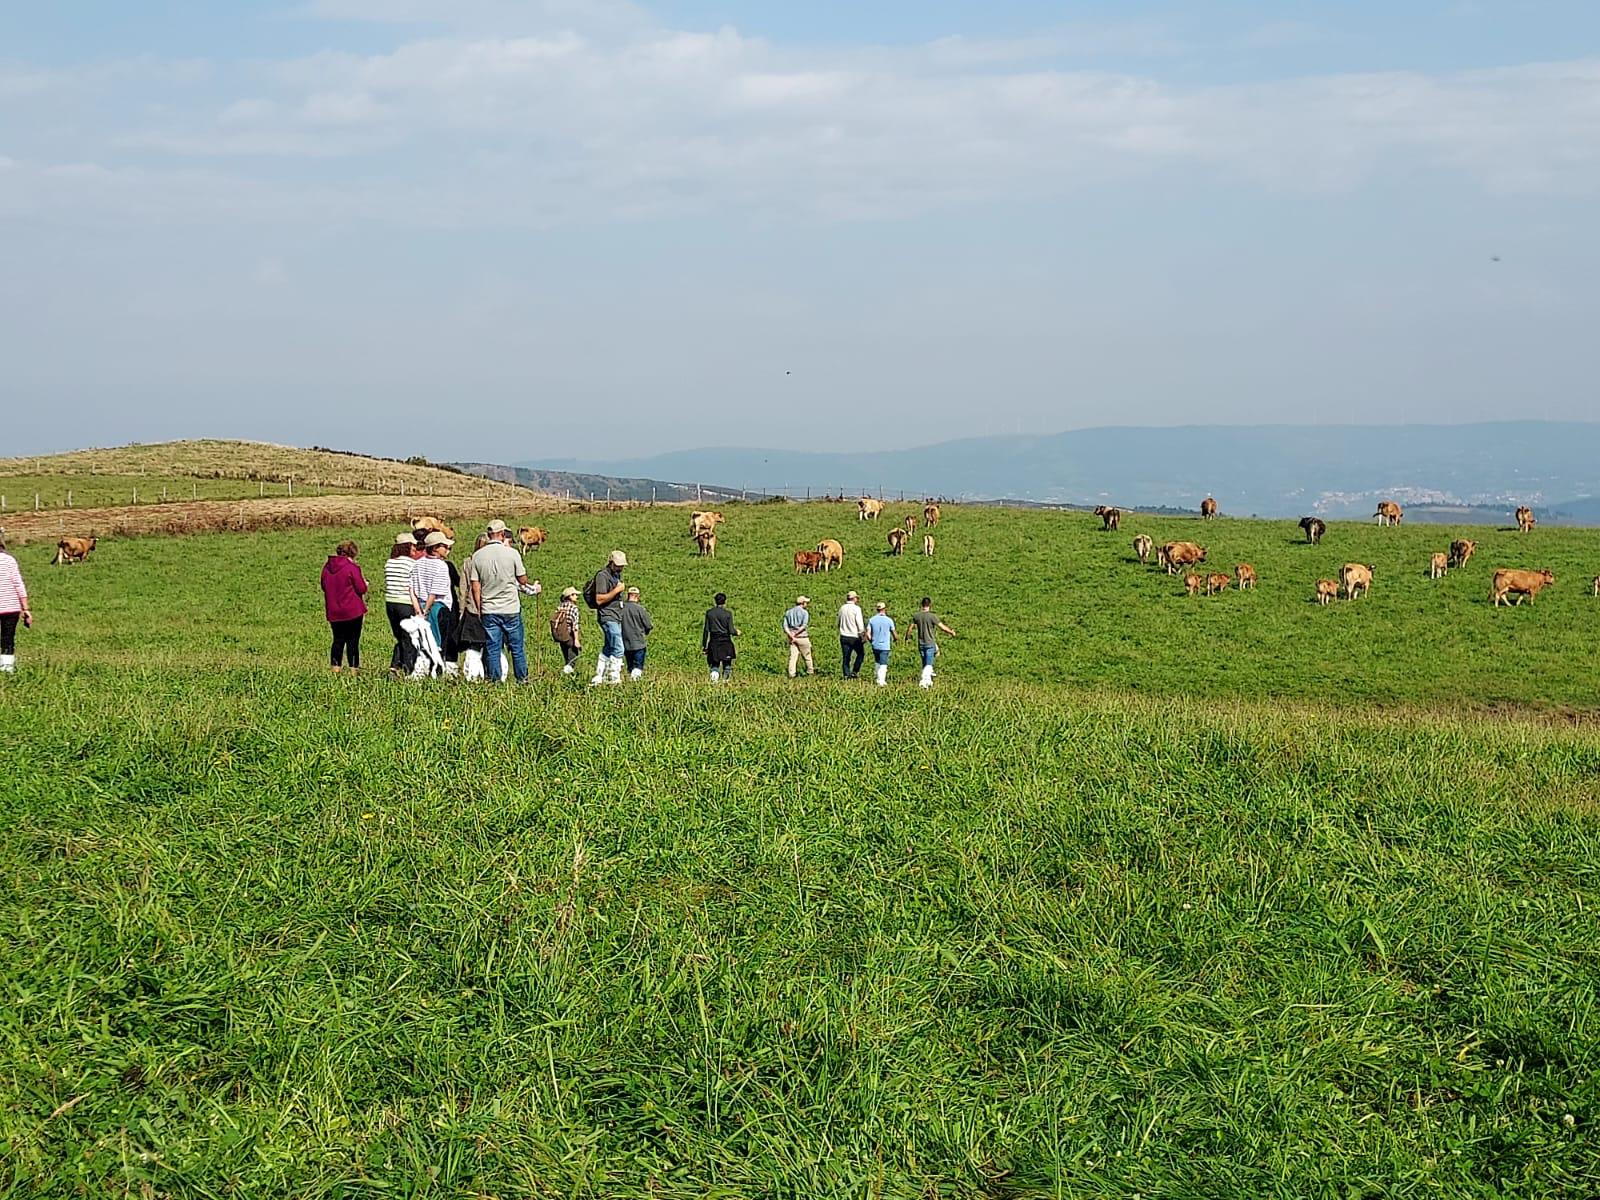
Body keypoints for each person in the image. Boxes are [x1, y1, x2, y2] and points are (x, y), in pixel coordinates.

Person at [471, 519, 536, 683]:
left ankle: (495, 680)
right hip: (510, 608)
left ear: (488, 534)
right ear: (501, 534)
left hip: (489, 608)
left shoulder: (477, 556)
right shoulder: (512, 553)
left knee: (492, 647)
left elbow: (475, 586)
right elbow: (522, 580)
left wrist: (480, 608)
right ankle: (522, 678)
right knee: (516, 647)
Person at [319, 540, 368, 673]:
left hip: (333, 610)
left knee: (337, 640)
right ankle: (353, 670)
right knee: (353, 641)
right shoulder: (352, 568)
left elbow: (323, 586)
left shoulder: (326, 568)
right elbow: (361, 588)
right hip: (352, 610)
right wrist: (366, 584)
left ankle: (335, 669)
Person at [383, 531, 425, 677]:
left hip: (390, 603)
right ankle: (408, 669)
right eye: (413, 545)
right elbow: (414, 586)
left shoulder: (389, 563)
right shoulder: (412, 564)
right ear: (407, 546)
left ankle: (395, 666)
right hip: (406, 603)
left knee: (400, 636)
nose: (415, 548)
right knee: (409, 637)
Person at [410, 531, 454, 654]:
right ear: (435, 548)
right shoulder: (441, 566)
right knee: (440, 643)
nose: (447, 549)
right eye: (444, 546)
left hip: (420, 605)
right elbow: (434, 592)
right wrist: (426, 611)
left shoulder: (417, 564)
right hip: (437, 608)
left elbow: (411, 589)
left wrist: (418, 609)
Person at [588, 550, 628, 685]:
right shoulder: (602, 576)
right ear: (611, 563)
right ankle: (613, 677)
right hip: (607, 615)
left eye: (622, 565)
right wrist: (617, 590)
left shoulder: (616, 575)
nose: (620, 568)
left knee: (609, 647)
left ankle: (599, 675)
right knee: (619, 647)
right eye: (618, 565)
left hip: (616, 615)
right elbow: (599, 599)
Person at [457, 534, 491, 679]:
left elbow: (463, 589)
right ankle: (491, 675)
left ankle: (471, 675)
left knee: (474, 645)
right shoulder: (491, 561)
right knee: (491, 645)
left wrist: (461, 609)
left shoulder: (468, 562)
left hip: (472, 609)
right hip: (491, 607)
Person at [0, 533, 32, 673]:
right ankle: (7, 669)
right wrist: (26, 609)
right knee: (8, 638)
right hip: (11, 607)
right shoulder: (10, 560)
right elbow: (18, 584)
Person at [911, 596, 957, 688]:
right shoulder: (932, 616)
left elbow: (910, 628)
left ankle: (927, 680)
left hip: (921, 643)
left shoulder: (916, 616)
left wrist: (907, 637)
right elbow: (942, 627)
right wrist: (951, 632)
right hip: (930, 643)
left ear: (922, 604)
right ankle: (924, 682)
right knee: (929, 663)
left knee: (925, 662)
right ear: (930, 605)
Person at [702, 591, 739, 682]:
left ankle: (714, 682)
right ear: (725, 601)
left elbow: (706, 630)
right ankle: (725, 681)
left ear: (715, 601)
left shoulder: (709, 613)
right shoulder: (728, 614)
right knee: (727, 664)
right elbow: (730, 630)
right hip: (725, 641)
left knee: (714, 664)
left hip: (714, 641)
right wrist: (737, 632)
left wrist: (704, 646)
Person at [620, 585, 654, 679]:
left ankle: (629, 681)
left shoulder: (621, 608)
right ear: (637, 596)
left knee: (630, 666)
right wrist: (646, 631)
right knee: (638, 667)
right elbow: (648, 625)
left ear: (628, 595)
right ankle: (635, 683)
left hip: (625, 642)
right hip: (638, 643)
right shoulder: (640, 609)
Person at [550, 586, 584, 674]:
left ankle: (567, 672)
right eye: (575, 595)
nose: (577, 596)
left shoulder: (560, 607)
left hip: (561, 635)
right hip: (569, 635)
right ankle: (566, 672)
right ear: (570, 596)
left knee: (566, 655)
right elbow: (575, 626)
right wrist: (576, 640)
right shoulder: (574, 608)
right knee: (573, 656)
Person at [866, 600, 898, 687]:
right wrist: (896, 639)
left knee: (877, 661)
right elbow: (894, 633)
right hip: (885, 645)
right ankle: (881, 681)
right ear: (884, 609)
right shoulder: (889, 620)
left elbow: (868, 634)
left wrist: (871, 641)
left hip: (875, 645)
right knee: (883, 663)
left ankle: (876, 676)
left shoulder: (872, 620)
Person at [783, 595, 815, 677]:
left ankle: (791, 673)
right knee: (807, 656)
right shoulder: (805, 613)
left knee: (793, 657)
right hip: (802, 637)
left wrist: (791, 635)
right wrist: (796, 633)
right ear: (803, 603)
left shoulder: (788, 612)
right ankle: (810, 672)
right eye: (806, 603)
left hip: (792, 638)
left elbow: (785, 626)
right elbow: (804, 626)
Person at [837, 590, 866, 679]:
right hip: (854, 636)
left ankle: (846, 674)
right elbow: (860, 624)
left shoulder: (842, 608)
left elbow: (838, 622)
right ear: (854, 599)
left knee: (846, 657)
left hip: (844, 636)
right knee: (860, 654)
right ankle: (855, 671)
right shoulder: (856, 609)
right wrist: (862, 635)